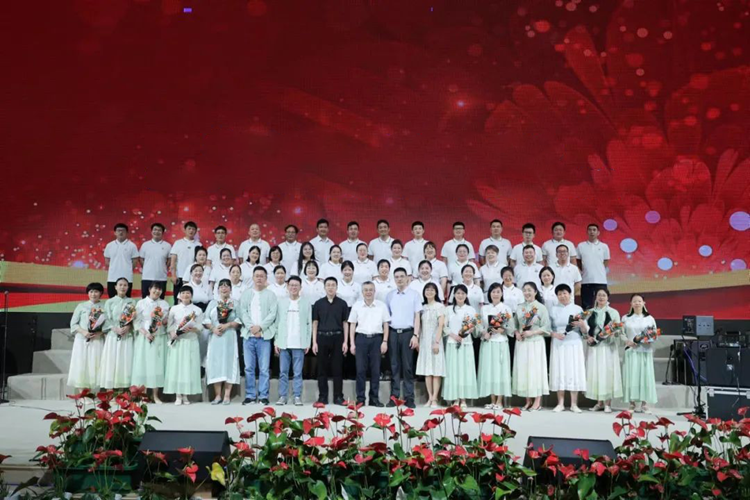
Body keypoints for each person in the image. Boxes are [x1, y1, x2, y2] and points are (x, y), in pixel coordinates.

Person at [239, 267, 278, 405]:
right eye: (257, 276)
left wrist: (260, 327)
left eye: (262, 276)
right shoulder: (246, 294)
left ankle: (263, 396)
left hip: (264, 336)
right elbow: (242, 312)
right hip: (248, 335)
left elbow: (273, 314)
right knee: (249, 368)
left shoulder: (271, 295)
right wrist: (252, 327)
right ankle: (250, 395)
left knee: (264, 368)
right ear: (253, 277)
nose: (259, 278)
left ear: (266, 278)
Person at [349, 282, 390, 407]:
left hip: (377, 339)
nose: (368, 292)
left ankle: (374, 398)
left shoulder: (381, 306)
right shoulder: (357, 306)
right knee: (360, 370)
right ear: (362, 292)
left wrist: (385, 341)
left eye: (370, 290)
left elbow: (386, 324)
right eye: (366, 290)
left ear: (374, 291)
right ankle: (360, 399)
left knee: (375, 371)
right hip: (361, 339)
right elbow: (352, 324)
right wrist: (352, 343)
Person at [385, 268, 422, 408]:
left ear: (407, 278)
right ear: (394, 279)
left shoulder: (414, 295)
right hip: (393, 333)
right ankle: (394, 397)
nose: (399, 279)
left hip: (408, 333)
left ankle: (409, 397)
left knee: (407, 367)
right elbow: (387, 319)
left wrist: (415, 335)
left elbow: (417, 316)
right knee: (394, 366)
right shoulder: (389, 295)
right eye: (397, 277)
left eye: (402, 276)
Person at [548, 284, 588, 413]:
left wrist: (581, 324)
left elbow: (585, 330)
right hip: (559, 342)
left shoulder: (577, 308)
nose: (562, 296)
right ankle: (560, 403)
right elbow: (548, 328)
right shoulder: (553, 309)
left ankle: (574, 404)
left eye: (565, 293)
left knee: (573, 370)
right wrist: (554, 334)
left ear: (570, 294)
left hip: (574, 342)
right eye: (560, 294)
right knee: (560, 370)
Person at [512, 282, 551, 411]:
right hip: (522, 343)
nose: (527, 293)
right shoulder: (519, 307)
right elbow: (514, 324)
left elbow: (546, 327)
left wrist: (532, 332)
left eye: (530, 290)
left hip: (536, 342)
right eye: (525, 290)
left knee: (535, 371)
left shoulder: (541, 308)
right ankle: (527, 400)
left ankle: (537, 401)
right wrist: (517, 333)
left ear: (535, 292)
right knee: (524, 371)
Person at [311, 277, 349, 405]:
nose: (331, 287)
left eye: (333, 285)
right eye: (328, 285)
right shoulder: (318, 303)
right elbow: (315, 323)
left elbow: (345, 323)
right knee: (322, 369)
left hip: (338, 337)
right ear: (324, 287)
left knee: (337, 368)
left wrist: (345, 342)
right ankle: (323, 397)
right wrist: (314, 342)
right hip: (322, 337)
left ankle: (338, 396)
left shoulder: (342, 304)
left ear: (337, 287)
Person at [203, 279, 242, 405]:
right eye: (221, 286)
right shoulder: (213, 303)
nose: (224, 288)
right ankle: (218, 395)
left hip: (229, 337)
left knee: (229, 363)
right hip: (215, 337)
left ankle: (227, 395)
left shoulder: (235, 303)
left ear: (231, 289)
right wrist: (213, 328)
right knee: (216, 364)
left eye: (227, 286)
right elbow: (206, 319)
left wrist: (228, 325)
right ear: (218, 289)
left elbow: (240, 319)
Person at [275, 276, 312, 406]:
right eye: (291, 285)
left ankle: (297, 396)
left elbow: (309, 324)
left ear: (300, 288)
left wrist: (308, 342)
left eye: (296, 285)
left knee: (298, 373)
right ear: (287, 287)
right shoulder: (281, 302)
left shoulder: (306, 303)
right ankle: (282, 396)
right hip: (284, 343)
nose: (293, 287)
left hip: (299, 343)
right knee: (283, 372)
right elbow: (277, 322)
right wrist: (276, 341)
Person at [443, 285, 480, 409]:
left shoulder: (471, 309)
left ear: (466, 295)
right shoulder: (448, 309)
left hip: (466, 343)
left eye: (463, 293)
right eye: (458, 293)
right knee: (453, 370)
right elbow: (444, 326)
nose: (460, 295)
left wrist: (465, 333)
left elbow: (475, 324)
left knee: (465, 370)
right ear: (454, 295)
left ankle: (463, 398)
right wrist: (454, 335)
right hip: (452, 342)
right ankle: (454, 398)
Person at [164, 286, 203, 405]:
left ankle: (186, 395)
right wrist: (173, 334)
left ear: (191, 295)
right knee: (177, 367)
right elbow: (169, 325)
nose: (185, 295)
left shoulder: (197, 310)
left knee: (188, 368)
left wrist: (193, 328)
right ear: (179, 295)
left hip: (190, 341)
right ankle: (178, 395)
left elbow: (201, 327)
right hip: (178, 342)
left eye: (188, 293)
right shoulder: (174, 309)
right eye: (183, 293)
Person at [585, 288, 622, 413]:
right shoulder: (589, 312)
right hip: (594, 348)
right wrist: (588, 337)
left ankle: (607, 403)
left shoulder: (613, 312)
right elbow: (584, 329)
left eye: (604, 295)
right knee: (596, 373)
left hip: (608, 347)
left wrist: (611, 334)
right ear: (595, 297)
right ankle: (599, 402)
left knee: (607, 373)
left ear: (608, 297)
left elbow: (618, 329)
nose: (601, 297)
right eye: (599, 295)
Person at [132, 282, 170, 403]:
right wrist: (146, 333)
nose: (157, 291)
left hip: (159, 337)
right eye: (155, 288)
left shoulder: (164, 304)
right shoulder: (141, 303)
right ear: (149, 289)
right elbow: (137, 322)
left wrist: (164, 321)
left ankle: (155, 395)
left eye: (159, 289)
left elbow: (165, 321)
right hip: (144, 337)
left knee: (157, 366)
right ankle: (142, 395)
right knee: (143, 365)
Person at [478, 283, 513, 410]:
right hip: (488, 343)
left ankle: (500, 401)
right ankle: (492, 400)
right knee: (490, 371)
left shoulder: (506, 309)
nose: (495, 294)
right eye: (493, 292)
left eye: (498, 291)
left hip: (501, 342)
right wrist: (484, 333)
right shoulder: (484, 309)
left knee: (500, 371)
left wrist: (503, 329)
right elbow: (480, 325)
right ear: (489, 294)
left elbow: (511, 327)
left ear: (502, 293)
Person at [622, 294, 658, 414]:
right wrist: (627, 341)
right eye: (634, 301)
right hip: (631, 351)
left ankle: (644, 404)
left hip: (645, 351)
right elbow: (620, 333)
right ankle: (631, 403)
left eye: (639, 301)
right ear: (631, 304)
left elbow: (654, 335)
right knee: (631, 377)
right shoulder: (625, 318)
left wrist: (644, 340)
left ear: (644, 303)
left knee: (645, 377)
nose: (637, 303)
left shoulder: (649, 319)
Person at [67, 282, 106, 391]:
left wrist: (99, 333)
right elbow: (73, 324)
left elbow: (108, 325)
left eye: (96, 291)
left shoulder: (104, 307)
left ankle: (94, 392)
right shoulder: (81, 306)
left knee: (96, 365)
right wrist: (84, 332)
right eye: (91, 292)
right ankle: (83, 394)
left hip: (97, 340)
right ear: (88, 293)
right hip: (82, 340)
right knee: (81, 365)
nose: (93, 294)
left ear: (101, 293)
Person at [99, 277, 136, 389]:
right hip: (113, 335)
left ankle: (123, 391)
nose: (122, 287)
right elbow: (105, 319)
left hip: (126, 335)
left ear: (128, 287)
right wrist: (115, 329)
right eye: (120, 285)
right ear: (115, 287)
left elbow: (135, 320)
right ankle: (111, 391)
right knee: (112, 361)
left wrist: (128, 326)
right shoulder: (109, 302)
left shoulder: (132, 302)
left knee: (125, 361)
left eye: (125, 285)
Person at [415, 283, 445, 408]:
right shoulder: (422, 307)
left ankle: (435, 399)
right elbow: (419, 326)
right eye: (427, 290)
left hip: (435, 341)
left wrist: (436, 342)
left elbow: (441, 325)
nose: (429, 292)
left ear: (436, 292)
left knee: (436, 371)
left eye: (432, 290)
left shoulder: (439, 306)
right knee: (427, 371)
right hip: (424, 342)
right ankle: (429, 397)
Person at [577, 224, 611, 310]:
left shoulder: (604, 246)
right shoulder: (581, 246)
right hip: (586, 280)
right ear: (587, 232)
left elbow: (606, 261)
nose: (592, 232)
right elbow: (578, 261)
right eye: (590, 230)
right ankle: (586, 323)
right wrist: (586, 270)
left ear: (598, 232)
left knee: (602, 304)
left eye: (594, 230)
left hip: (600, 280)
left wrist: (598, 269)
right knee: (586, 305)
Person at [104, 223, 139, 298]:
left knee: (126, 300)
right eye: (118, 230)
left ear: (127, 233)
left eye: (123, 231)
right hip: (112, 277)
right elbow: (107, 261)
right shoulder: (109, 245)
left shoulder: (132, 246)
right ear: (115, 232)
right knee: (112, 299)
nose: (120, 232)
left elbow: (135, 262)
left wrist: (127, 269)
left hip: (127, 278)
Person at [169, 221, 199, 304]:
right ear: (184, 230)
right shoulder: (178, 243)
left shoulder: (198, 245)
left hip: (192, 278)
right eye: (189, 228)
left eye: (193, 229)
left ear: (196, 231)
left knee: (191, 299)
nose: (191, 231)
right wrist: (173, 275)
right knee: (177, 299)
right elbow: (173, 261)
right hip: (180, 276)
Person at [139, 223, 171, 299]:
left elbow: (169, 260)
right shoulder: (145, 245)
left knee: (160, 300)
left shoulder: (167, 245)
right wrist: (147, 267)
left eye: (159, 230)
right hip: (147, 277)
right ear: (151, 232)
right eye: (155, 230)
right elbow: (141, 259)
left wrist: (163, 267)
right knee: (145, 299)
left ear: (162, 233)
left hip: (161, 278)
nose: (157, 232)